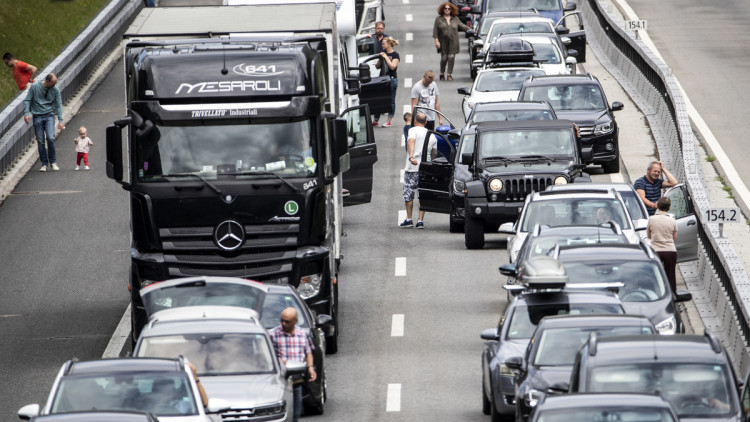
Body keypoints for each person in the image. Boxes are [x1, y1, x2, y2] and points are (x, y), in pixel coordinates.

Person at [268, 307, 316, 422]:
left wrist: (310, 368)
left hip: (296, 379)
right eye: (282, 320)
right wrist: (279, 361)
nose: (283, 324)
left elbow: (308, 353)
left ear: (295, 321)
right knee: (281, 413)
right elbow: (266, 355)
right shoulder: (272, 335)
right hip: (280, 381)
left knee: (296, 413)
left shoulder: (302, 334)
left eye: (287, 321)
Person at [401, 112, 437, 229]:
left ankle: (409, 219)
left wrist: (411, 157)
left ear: (415, 121)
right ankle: (420, 221)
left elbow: (410, 141)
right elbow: (434, 154)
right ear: (426, 122)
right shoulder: (431, 135)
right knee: (422, 195)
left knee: (409, 194)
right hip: (424, 169)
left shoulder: (413, 130)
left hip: (412, 168)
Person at [24, 73, 64, 172]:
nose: (54, 86)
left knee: (50, 138)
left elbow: (58, 105)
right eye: (53, 84)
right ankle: (44, 163)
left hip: (49, 115)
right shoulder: (35, 87)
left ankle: (53, 162)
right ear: (47, 81)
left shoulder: (55, 90)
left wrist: (60, 120)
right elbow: (28, 100)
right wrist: (26, 113)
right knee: (40, 141)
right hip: (37, 116)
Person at [433, 2, 470, 81]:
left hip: (453, 41)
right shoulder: (438, 19)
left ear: (451, 10)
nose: (447, 10)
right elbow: (435, 31)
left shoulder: (455, 18)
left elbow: (462, 26)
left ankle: (449, 74)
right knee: (444, 58)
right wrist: (436, 41)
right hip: (443, 42)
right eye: (445, 8)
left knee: (451, 57)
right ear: (442, 9)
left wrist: (471, 30)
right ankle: (442, 73)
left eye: (448, 9)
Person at [647, 197, 678, 293]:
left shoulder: (651, 219)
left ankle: (656, 293)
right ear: (669, 207)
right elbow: (674, 236)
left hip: (656, 250)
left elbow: (649, 236)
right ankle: (672, 294)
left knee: (655, 274)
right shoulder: (672, 220)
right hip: (670, 250)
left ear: (658, 206)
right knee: (671, 275)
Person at [372, 37, 400, 127]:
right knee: (378, 99)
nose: (382, 45)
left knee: (391, 100)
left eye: (383, 44)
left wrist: (386, 57)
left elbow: (392, 67)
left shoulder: (395, 55)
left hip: (391, 79)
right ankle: (376, 119)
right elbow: (377, 66)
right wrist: (381, 58)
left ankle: (389, 120)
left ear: (388, 44)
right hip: (382, 79)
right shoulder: (383, 54)